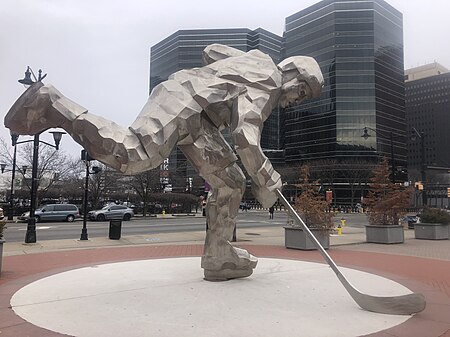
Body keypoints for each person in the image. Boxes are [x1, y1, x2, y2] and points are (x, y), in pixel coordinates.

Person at [5, 44, 323, 280]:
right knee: (134, 154)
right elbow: (246, 138)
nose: (297, 100)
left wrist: (227, 79)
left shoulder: (256, 59)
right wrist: (268, 177)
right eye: (302, 91)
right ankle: (52, 103)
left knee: (231, 180)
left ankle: (219, 256)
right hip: (184, 101)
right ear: (294, 73)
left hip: (200, 120)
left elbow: (211, 52)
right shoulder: (268, 83)